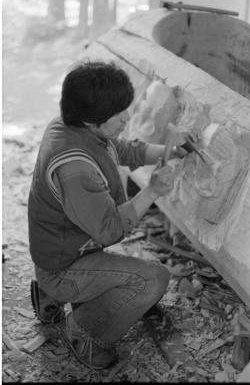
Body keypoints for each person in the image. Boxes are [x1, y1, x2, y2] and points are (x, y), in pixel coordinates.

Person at [28, 59, 194, 370]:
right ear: (92, 120)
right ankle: (85, 333)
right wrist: (153, 191)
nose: (127, 117)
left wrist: (166, 151)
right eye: (119, 115)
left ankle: (51, 294)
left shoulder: (69, 125)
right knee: (153, 279)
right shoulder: (75, 170)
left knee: (131, 272)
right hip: (63, 265)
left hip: (58, 250)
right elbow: (109, 229)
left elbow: (116, 148)